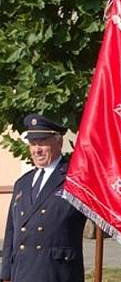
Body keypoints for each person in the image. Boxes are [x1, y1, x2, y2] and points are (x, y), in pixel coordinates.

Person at [1, 114, 87, 282]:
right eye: (33, 143)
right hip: (22, 273)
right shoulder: (22, 183)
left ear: (58, 142)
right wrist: (5, 274)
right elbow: (11, 232)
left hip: (56, 273)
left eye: (42, 142)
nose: (37, 149)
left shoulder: (75, 179)